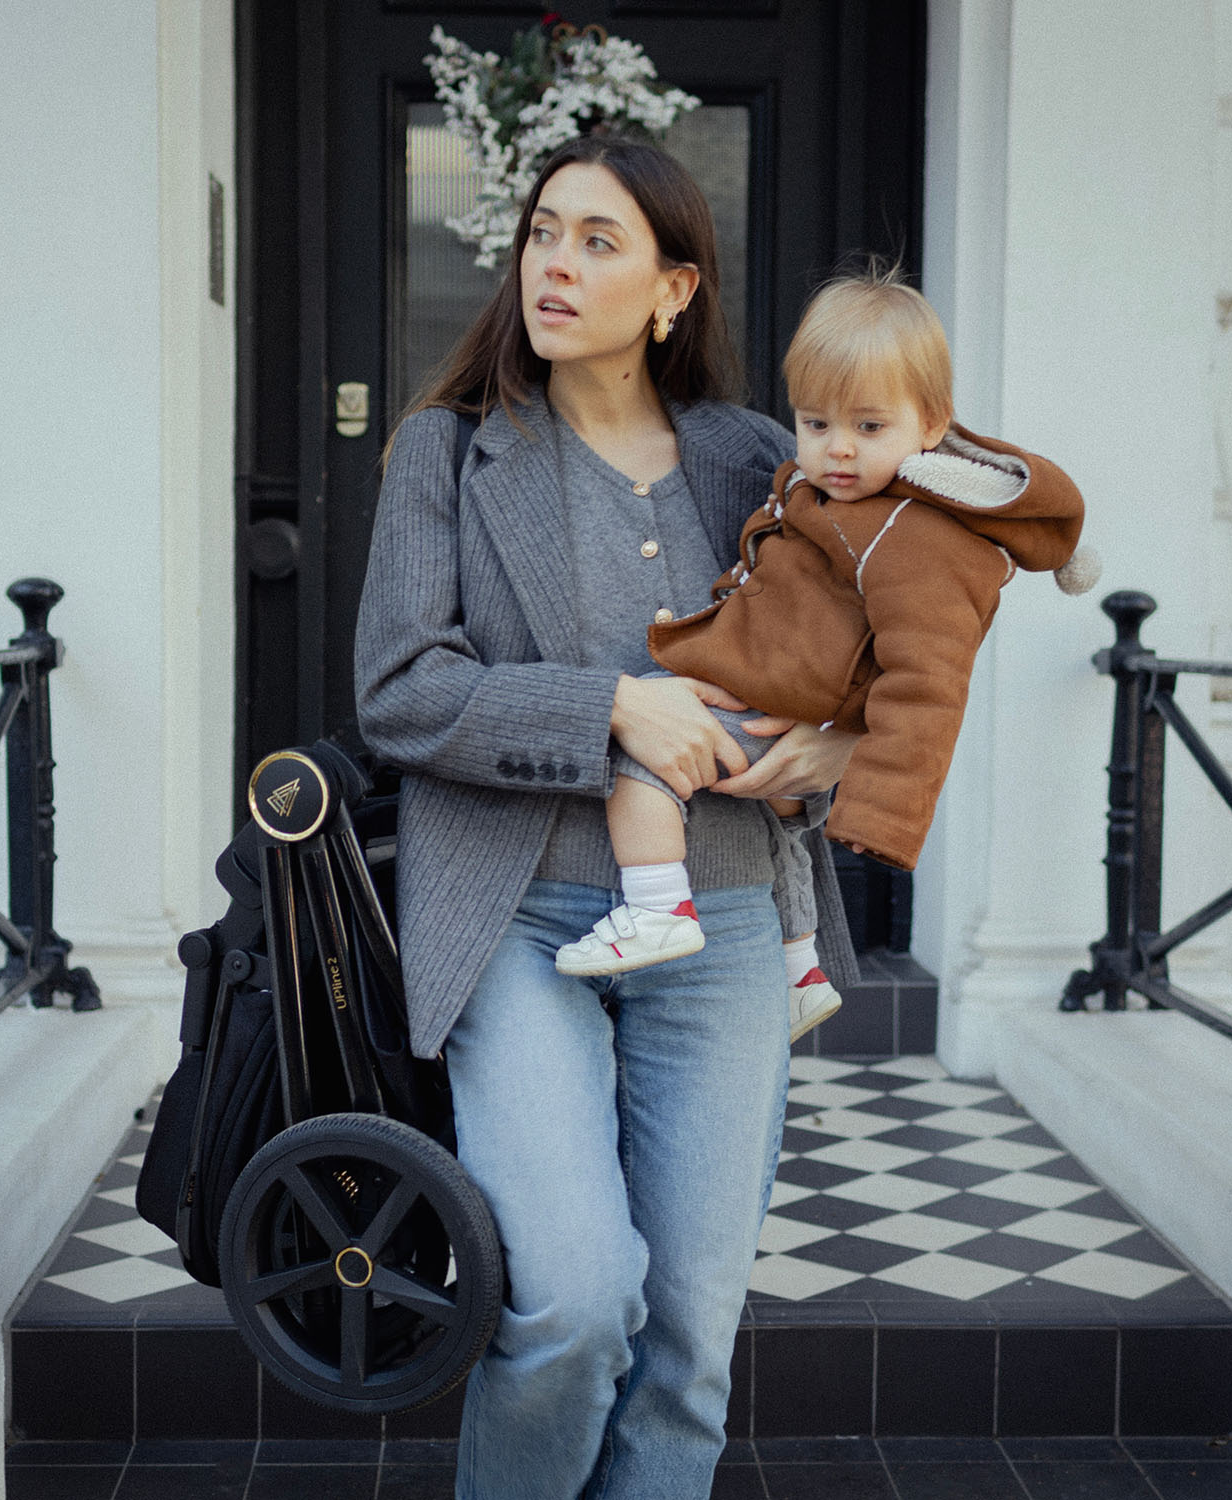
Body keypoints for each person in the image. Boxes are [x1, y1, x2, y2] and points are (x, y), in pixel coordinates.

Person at [354, 133, 858, 1500]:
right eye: (543, 233)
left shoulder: (760, 459)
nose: (555, 266)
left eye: (597, 242)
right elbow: (400, 690)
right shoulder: (448, 452)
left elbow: (858, 650)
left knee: (688, 1338)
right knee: (576, 1299)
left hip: (729, 913)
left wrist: (828, 749)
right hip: (519, 919)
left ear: (674, 289)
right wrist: (612, 710)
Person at [556, 267, 1095, 990]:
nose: (838, 448)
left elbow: (930, 681)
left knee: (641, 768)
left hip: (780, 698)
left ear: (931, 425)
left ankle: (656, 907)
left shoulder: (915, 537)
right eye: (816, 424)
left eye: (869, 427)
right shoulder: (832, 495)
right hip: (779, 691)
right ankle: (800, 969)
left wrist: (881, 812)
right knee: (781, 824)